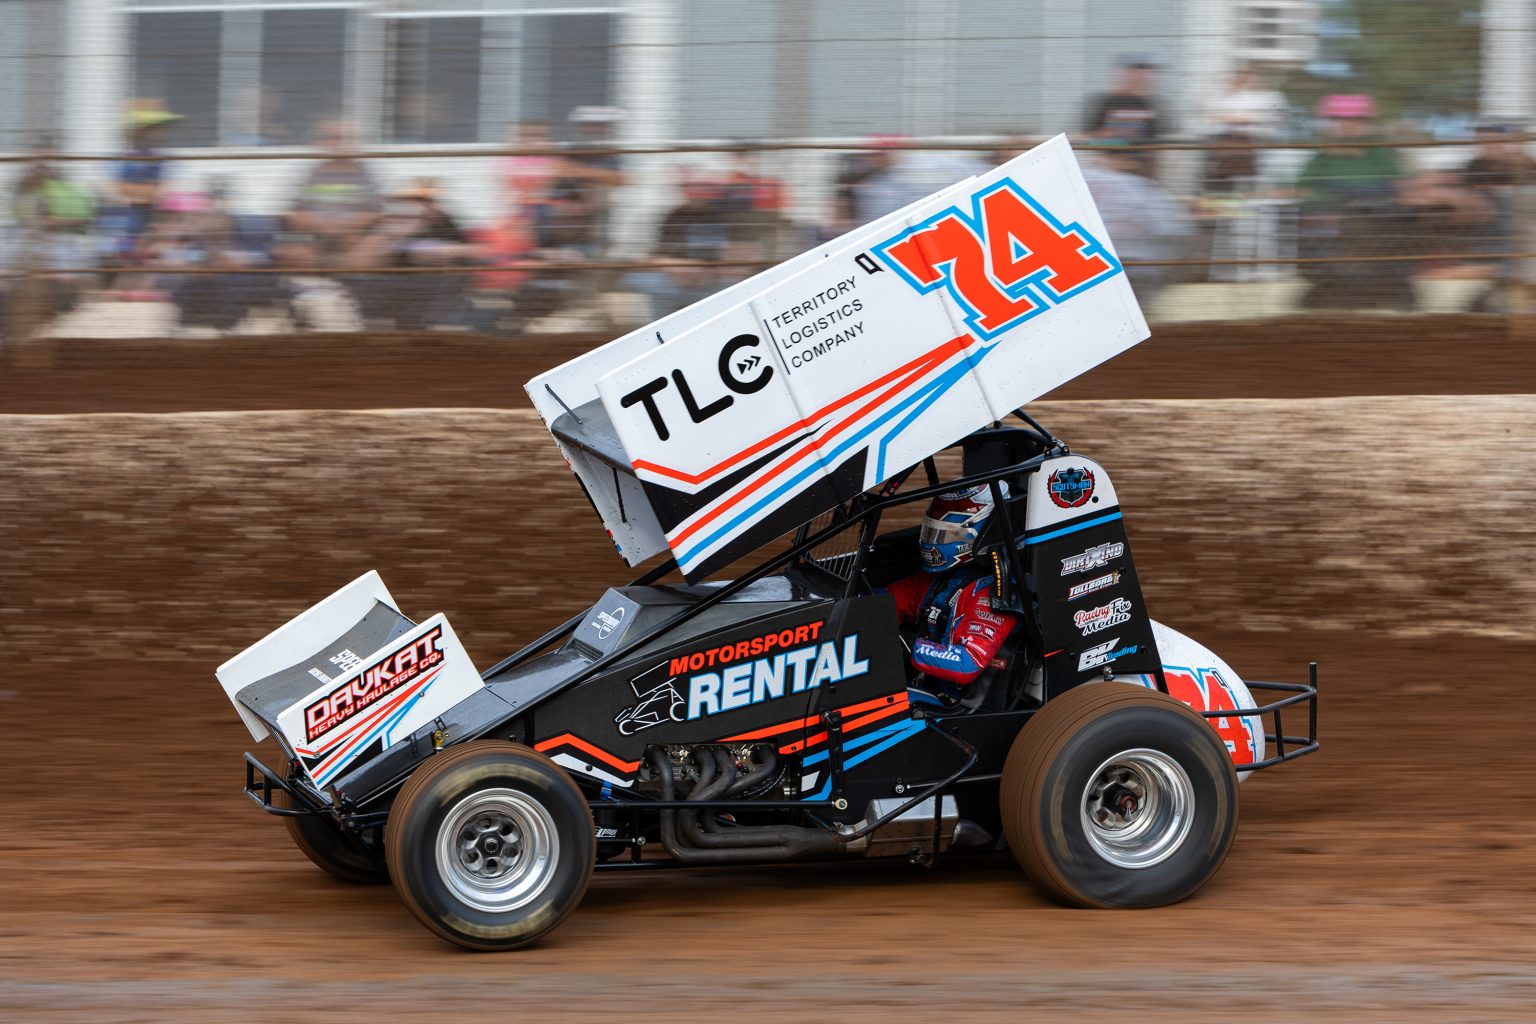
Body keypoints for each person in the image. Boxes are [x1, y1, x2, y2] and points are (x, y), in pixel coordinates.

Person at [884, 485, 1020, 698]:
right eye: (932, 532)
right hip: (926, 685)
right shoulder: (940, 576)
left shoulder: (992, 591)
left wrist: (907, 645)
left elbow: (967, 663)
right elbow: (887, 604)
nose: (934, 543)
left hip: (957, 703)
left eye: (942, 535)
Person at [1085, 54, 1169, 178]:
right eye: (1135, 71)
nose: (1142, 76)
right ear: (1121, 73)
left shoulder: (1153, 105)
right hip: (1108, 172)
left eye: (1145, 71)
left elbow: (1157, 145)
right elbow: (1088, 138)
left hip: (1141, 175)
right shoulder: (1104, 102)